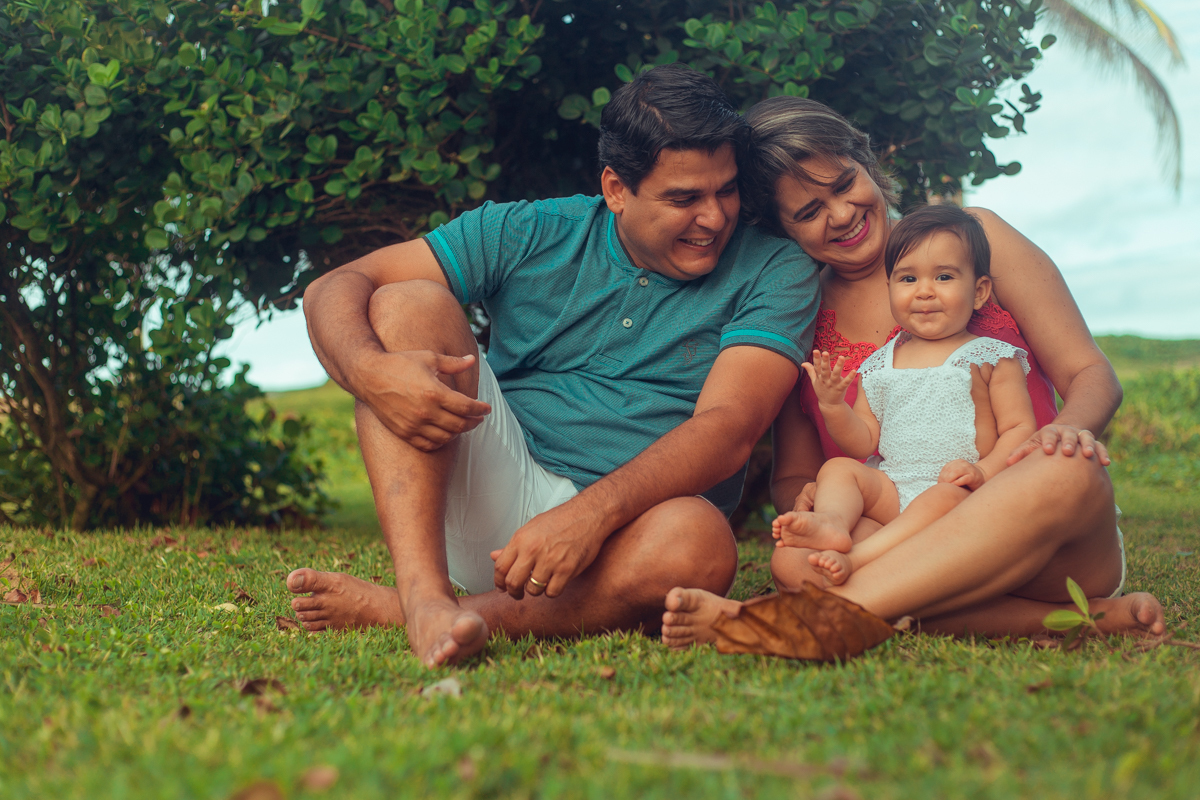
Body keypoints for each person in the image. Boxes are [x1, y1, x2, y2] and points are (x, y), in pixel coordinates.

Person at [286, 66, 820, 667]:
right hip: (492, 487)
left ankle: (422, 612)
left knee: (699, 543)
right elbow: (334, 287)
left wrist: (590, 515)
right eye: (683, 198)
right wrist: (368, 372)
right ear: (617, 189)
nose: (715, 217)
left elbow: (729, 429)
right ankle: (423, 591)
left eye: (726, 190)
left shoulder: (776, 269)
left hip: (629, 536)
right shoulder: (532, 230)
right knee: (406, 302)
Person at [661, 96, 1165, 648]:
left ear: (868, 166)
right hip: (904, 534)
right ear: (783, 231)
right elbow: (793, 475)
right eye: (808, 212)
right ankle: (1084, 620)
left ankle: (783, 622)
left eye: (844, 183)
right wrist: (807, 503)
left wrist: (1065, 430)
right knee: (795, 563)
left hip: (1043, 529)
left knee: (1064, 466)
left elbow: (1091, 372)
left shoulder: (975, 239)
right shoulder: (797, 314)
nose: (842, 213)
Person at [774, 204, 1036, 586]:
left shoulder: (991, 356)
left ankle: (861, 558)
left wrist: (983, 472)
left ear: (979, 292)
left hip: (959, 495)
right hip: (893, 490)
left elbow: (1019, 426)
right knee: (838, 470)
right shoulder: (881, 364)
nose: (924, 292)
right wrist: (833, 407)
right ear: (890, 289)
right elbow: (864, 438)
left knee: (944, 496)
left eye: (944, 277)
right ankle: (832, 525)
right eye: (908, 279)